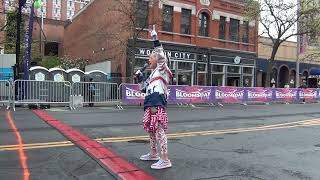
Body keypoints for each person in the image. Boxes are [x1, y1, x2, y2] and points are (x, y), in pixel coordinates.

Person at [134, 27, 173, 169]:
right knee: (151, 130)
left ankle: (165, 159)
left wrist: (155, 38)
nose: (148, 60)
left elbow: (161, 55)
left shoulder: (162, 69)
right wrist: (139, 79)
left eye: (150, 57)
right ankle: (153, 153)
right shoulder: (152, 75)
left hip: (157, 104)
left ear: (157, 59)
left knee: (159, 130)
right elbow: (144, 90)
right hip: (149, 104)